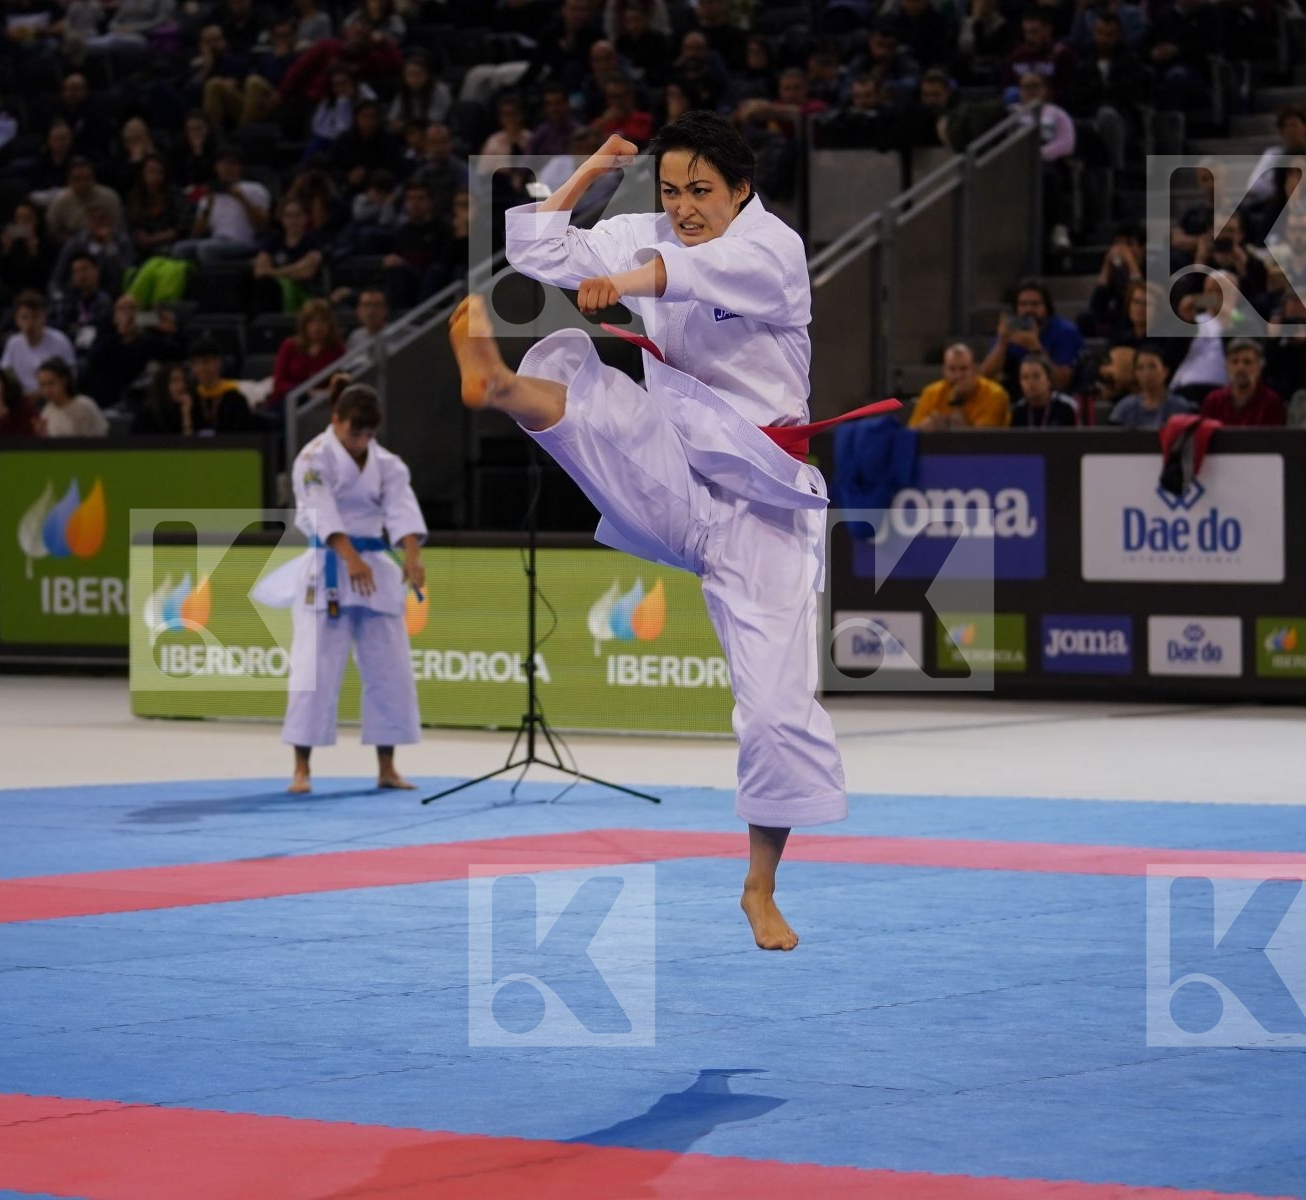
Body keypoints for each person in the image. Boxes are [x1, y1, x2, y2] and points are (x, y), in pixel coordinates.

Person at [448, 117, 848, 952]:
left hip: (762, 498)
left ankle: (759, 887)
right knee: (599, 410)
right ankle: (498, 387)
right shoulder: (647, 230)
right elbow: (538, 248)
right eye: (670, 191)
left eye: (701, 191)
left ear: (741, 187)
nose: (685, 207)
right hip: (674, 461)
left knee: (776, 710)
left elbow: (690, 272)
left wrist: (629, 277)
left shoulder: (774, 248)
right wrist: (595, 167)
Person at [252, 383, 427, 795]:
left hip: (374, 570)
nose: (362, 440)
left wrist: (412, 556)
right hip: (330, 568)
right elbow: (320, 512)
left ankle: (387, 767)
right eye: (355, 432)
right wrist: (350, 558)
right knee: (314, 671)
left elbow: (402, 509)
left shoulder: (389, 464)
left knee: (391, 671)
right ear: (336, 421)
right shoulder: (313, 460)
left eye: (369, 433)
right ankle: (301, 769)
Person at [909, 344, 1010, 429]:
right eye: (952, 369)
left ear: (973, 369)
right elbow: (912, 431)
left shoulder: (994, 394)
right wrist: (926, 426)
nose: (958, 376)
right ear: (944, 370)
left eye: (963, 369)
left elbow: (980, 442)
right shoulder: (931, 392)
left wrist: (956, 403)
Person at [1201, 339, 1286, 426]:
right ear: (1226, 366)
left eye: (1247, 362)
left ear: (1259, 367)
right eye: (1235, 362)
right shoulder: (1213, 401)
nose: (1240, 368)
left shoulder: (1272, 403)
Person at [1109, 346, 1195, 430]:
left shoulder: (1179, 407)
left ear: (1165, 371)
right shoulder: (1125, 407)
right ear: (1135, 374)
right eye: (1140, 368)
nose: (1146, 373)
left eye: (1152, 367)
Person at [35, 359, 110, 437]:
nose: (46, 390)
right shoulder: (48, 409)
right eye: (42, 385)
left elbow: (100, 437)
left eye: (51, 383)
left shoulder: (84, 405)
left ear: (64, 381)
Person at [1010, 354, 1079, 427]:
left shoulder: (1066, 409)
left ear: (1048, 379)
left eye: (1036, 376)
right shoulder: (1017, 412)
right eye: (1025, 378)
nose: (1030, 382)